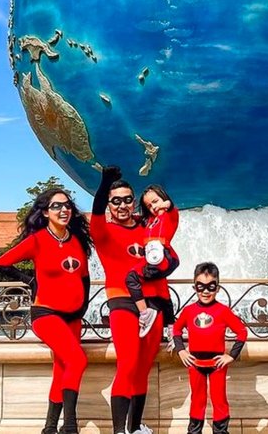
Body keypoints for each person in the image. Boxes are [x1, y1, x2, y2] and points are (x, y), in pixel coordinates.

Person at [0, 188, 92, 434]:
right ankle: (70, 426)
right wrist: (29, 280)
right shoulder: (37, 240)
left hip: (73, 316)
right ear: (46, 212)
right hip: (46, 314)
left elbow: (85, 276)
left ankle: (49, 428)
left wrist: (84, 305)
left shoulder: (77, 240)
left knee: (62, 369)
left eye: (67, 205)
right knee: (78, 359)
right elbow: (1, 263)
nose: (64, 210)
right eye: (57, 206)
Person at [91, 166, 175, 434]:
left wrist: (166, 266)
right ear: (109, 204)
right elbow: (94, 213)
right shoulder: (104, 231)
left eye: (128, 199)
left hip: (154, 303)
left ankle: (136, 427)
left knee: (143, 367)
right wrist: (105, 184)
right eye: (116, 201)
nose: (123, 205)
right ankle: (119, 431)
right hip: (122, 303)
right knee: (127, 364)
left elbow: (170, 230)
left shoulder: (147, 226)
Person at [172, 262, 248, 434]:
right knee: (197, 400)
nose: (206, 291)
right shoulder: (189, 310)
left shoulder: (223, 311)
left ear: (218, 288)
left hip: (217, 365)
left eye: (210, 287)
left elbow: (242, 332)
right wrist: (181, 350)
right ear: (194, 288)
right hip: (195, 363)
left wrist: (231, 356)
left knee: (219, 400)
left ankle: (221, 431)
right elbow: (176, 329)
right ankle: (194, 431)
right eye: (201, 287)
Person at [125, 184, 180, 337]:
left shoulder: (169, 215)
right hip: (152, 257)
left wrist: (164, 204)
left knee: (131, 277)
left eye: (155, 201)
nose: (153, 207)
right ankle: (172, 327)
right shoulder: (149, 221)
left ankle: (145, 313)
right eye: (149, 205)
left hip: (164, 255)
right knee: (163, 291)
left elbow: (171, 206)